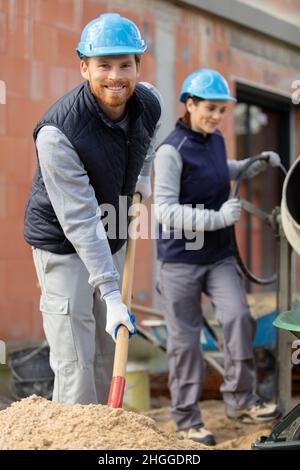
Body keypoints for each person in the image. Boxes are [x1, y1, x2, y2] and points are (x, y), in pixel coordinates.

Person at [24, 13, 162, 405]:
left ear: (138, 66)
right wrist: (112, 294)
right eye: (103, 65)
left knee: (108, 348)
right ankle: (75, 439)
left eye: (125, 64)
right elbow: (81, 221)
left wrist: (144, 177)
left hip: (113, 229)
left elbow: (147, 142)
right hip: (63, 243)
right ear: (84, 66)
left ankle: (104, 437)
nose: (115, 76)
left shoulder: (149, 102)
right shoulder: (57, 134)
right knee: (77, 361)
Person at [154, 68, 280, 445]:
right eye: (210, 108)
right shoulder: (170, 151)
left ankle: (241, 399)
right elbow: (164, 210)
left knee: (239, 317)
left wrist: (248, 165)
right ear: (189, 104)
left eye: (222, 110)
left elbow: (214, 171)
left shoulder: (216, 139)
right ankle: (187, 420)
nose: (217, 116)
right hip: (180, 260)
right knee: (185, 341)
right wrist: (217, 218)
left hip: (219, 256)